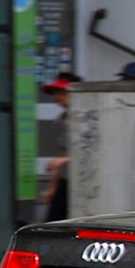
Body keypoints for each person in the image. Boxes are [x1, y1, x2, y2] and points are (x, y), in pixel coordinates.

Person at [40, 72, 81, 221]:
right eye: (56, 93)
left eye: (62, 92)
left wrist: (64, 160)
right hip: (66, 180)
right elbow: (63, 153)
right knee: (53, 221)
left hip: (83, 181)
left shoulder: (86, 118)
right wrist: (53, 187)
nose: (58, 96)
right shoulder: (60, 121)